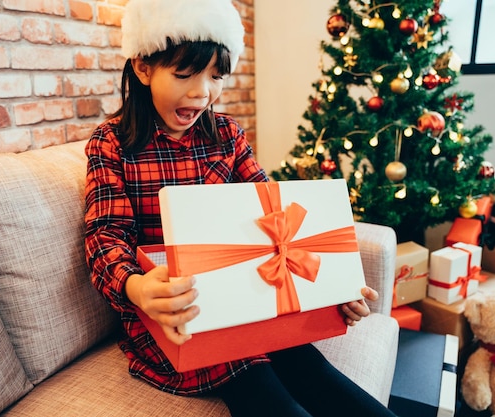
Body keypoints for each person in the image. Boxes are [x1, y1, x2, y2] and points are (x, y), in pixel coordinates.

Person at [84, 0, 397, 415]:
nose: (202, 92)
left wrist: (332, 291)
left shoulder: (227, 135)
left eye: (215, 76)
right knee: (263, 388)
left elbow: (276, 219)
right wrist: (138, 287)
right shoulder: (111, 144)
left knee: (315, 373)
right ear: (143, 67)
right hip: (174, 316)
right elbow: (105, 237)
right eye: (185, 74)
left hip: (247, 300)